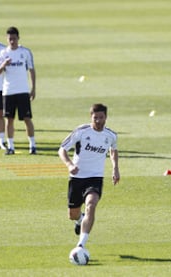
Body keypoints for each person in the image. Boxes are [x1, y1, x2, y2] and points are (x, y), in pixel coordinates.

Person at [58, 103, 120, 251]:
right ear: (90, 117)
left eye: (101, 117)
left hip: (95, 178)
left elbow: (113, 150)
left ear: (106, 117)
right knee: (73, 214)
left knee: (91, 205)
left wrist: (115, 168)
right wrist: (69, 165)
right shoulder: (81, 131)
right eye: (95, 118)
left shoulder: (111, 135)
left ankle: (81, 245)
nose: (98, 121)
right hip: (77, 177)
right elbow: (62, 149)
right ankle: (80, 220)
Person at [0, 26, 37, 155]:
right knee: (9, 120)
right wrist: (4, 65)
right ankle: (11, 146)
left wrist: (33, 88)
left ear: (18, 38)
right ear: (7, 39)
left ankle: (32, 145)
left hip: (23, 90)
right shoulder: (3, 53)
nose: (12, 41)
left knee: (27, 118)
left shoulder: (25, 52)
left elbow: (31, 70)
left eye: (14, 39)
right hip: (8, 91)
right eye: (10, 39)